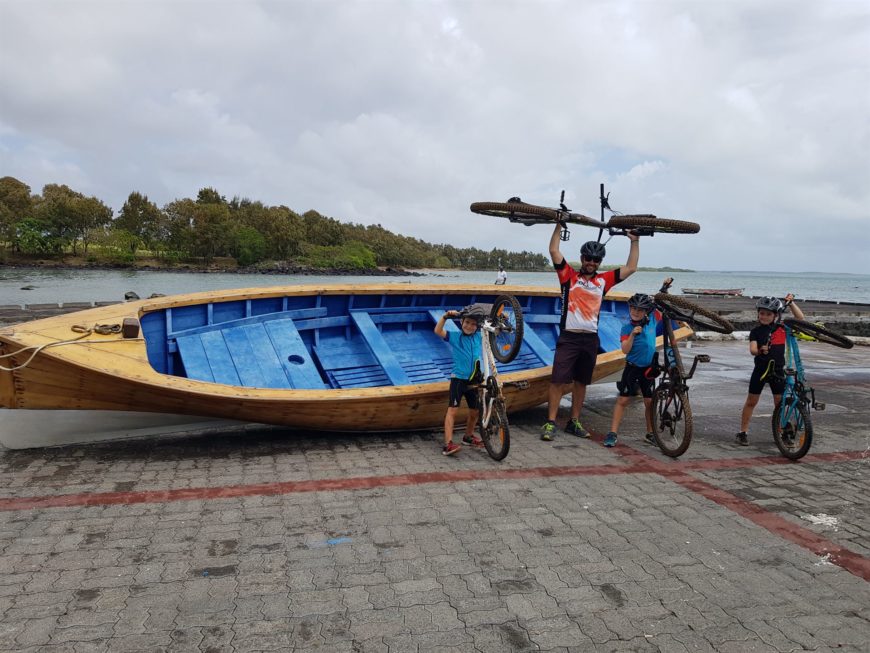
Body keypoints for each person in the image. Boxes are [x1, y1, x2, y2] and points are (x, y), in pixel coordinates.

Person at [540, 226, 639, 441]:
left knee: (581, 382)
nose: (591, 262)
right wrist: (559, 225)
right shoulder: (568, 276)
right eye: (588, 258)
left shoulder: (604, 281)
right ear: (582, 258)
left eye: (596, 260)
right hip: (569, 336)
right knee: (557, 380)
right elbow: (554, 251)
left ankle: (574, 422)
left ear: (599, 262)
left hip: (590, 339)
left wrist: (634, 240)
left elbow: (631, 267)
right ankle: (550, 422)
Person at [736, 294, 805, 446]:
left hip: (778, 371)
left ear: (776, 315)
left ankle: (783, 432)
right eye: (762, 313)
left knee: (779, 403)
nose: (764, 317)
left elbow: (800, 318)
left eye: (768, 314)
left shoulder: (782, 328)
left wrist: (791, 304)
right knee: (751, 401)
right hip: (760, 370)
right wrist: (760, 350)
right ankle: (743, 432)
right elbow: (752, 349)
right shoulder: (756, 331)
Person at [603, 288, 667, 447]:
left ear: (646, 311)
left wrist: (664, 288)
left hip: (648, 369)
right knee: (623, 400)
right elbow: (625, 349)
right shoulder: (626, 328)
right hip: (632, 368)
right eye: (633, 308)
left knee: (649, 402)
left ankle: (650, 433)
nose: (636, 312)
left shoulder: (652, 320)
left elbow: (658, 304)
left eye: (640, 309)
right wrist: (633, 334)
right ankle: (612, 433)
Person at [434, 309, 485, 455]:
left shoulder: (479, 336)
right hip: (458, 379)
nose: (469, 326)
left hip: (473, 379)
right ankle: (447, 444)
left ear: (477, 327)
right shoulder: (455, 336)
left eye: (473, 324)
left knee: (475, 411)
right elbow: (438, 331)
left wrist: (502, 316)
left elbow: (496, 331)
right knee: (453, 410)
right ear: (461, 322)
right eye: (467, 322)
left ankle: (468, 437)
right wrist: (445, 317)